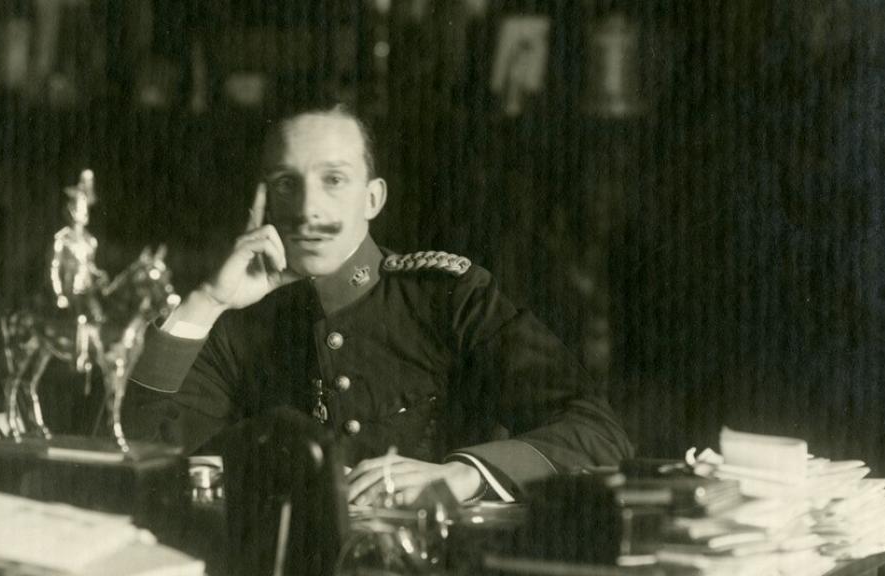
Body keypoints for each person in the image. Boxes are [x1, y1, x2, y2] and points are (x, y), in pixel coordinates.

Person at [123, 104, 633, 506]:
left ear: (373, 199)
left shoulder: (447, 297)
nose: (308, 209)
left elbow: (597, 432)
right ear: (265, 202)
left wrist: (462, 475)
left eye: (334, 180)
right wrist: (207, 302)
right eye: (286, 184)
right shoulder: (237, 318)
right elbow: (136, 453)